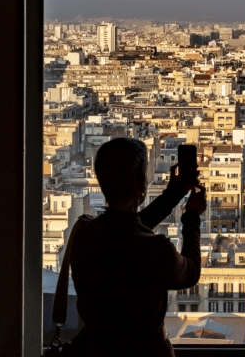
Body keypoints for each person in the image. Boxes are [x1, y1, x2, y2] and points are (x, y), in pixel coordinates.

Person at [69, 137, 207, 357]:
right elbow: (189, 273)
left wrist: (173, 195)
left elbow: (125, 229)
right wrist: (192, 217)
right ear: (142, 182)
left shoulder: (83, 233)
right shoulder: (155, 249)